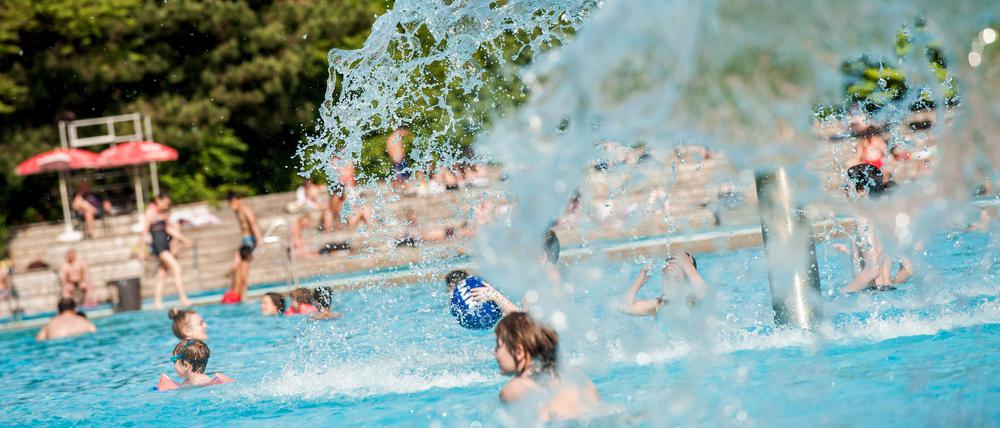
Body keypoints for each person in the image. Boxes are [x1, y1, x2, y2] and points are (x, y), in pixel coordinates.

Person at [494, 312, 600, 421]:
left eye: (498, 346)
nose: (494, 353)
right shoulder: (576, 375)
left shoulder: (514, 388)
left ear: (518, 352)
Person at [835, 164, 913, 293]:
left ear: (862, 191)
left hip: (874, 298)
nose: (844, 190)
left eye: (848, 186)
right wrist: (890, 283)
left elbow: (873, 269)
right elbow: (909, 269)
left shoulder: (864, 220)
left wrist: (841, 294)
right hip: (884, 295)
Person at [619, 252, 708, 316]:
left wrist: (689, 268)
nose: (670, 283)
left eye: (677, 279)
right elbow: (624, 307)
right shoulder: (659, 305)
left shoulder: (693, 303)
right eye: (666, 277)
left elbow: (706, 295)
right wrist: (640, 280)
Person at [148, 196, 193, 309]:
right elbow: (145, 229)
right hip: (159, 247)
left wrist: (183, 239)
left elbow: (169, 230)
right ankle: (183, 299)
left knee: (162, 274)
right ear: (159, 200)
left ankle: (157, 302)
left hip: (165, 246)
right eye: (166, 203)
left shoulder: (163, 216)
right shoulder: (151, 211)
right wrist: (142, 247)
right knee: (177, 268)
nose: (167, 205)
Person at [225, 193, 261, 304]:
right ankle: (235, 292)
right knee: (234, 267)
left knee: (244, 271)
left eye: (231, 204)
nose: (231, 207)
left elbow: (253, 224)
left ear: (237, 201)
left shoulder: (245, 210)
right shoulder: (238, 211)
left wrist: (259, 239)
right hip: (244, 241)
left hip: (249, 241)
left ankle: (243, 295)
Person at [156, 339, 233, 391]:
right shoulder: (189, 382)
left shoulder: (191, 384)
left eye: (174, 360)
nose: (173, 364)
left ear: (186, 365)